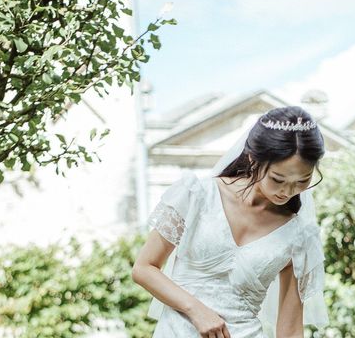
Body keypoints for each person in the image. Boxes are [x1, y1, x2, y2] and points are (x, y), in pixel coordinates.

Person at [132, 105, 328, 338]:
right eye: (278, 179)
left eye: (302, 181)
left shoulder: (299, 236)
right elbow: (144, 268)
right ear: (253, 159)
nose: (288, 191)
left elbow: (290, 330)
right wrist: (195, 310)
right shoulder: (196, 195)